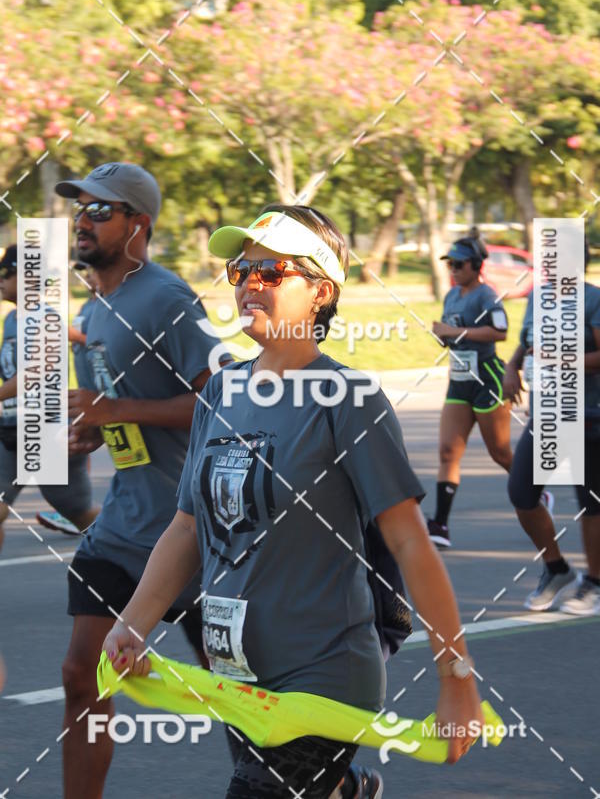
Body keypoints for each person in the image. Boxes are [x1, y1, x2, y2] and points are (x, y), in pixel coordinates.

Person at [103, 205, 485, 799]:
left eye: (273, 270)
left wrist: (456, 675)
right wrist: (133, 623)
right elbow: (185, 529)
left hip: (322, 673)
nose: (251, 284)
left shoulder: (347, 397)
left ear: (320, 292)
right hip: (234, 672)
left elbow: (410, 542)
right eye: (241, 270)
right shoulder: (222, 390)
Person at [53, 162, 226, 799]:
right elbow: (123, 404)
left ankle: (326, 782)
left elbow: (222, 398)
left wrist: (118, 411)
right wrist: (98, 429)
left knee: (235, 694)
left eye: (100, 211)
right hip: (123, 527)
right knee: (82, 675)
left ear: (138, 225)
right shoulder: (95, 309)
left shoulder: (167, 297)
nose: (82, 221)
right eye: (80, 209)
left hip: (190, 533)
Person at [504, 251, 600, 615]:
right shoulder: (537, 298)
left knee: (590, 500)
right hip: (547, 412)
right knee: (521, 492)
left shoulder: (594, 299)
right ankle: (557, 569)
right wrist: (512, 367)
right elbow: (526, 343)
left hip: (589, 412)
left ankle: (594, 583)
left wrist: (558, 358)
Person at [0, 245, 99, 552]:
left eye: (6, 272)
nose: (0, 278)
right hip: (11, 431)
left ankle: (139, 553)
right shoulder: (12, 319)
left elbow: (35, 371)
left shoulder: (43, 316)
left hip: (47, 429)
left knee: (77, 511)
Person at [427, 233, 511, 549]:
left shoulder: (487, 296)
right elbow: (455, 334)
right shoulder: (452, 295)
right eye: (450, 264)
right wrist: (443, 336)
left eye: (459, 264)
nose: (454, 270)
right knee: (448, 451)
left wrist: (454, 331)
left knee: (500, 452)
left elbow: (500, 332)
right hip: (459, 380)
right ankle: (441, 526)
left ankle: (534, 491)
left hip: (487, 379)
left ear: (476, 266)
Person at [36, 263, 102, 536]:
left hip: (110, 398)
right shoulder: (88, 306)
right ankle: (77, 507)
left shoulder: (113, 306)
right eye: (83, 271)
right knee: (77, 441)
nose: (87, 275)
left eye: (91, 270)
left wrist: (75, 336)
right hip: (87, 394)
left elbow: (105, 343)